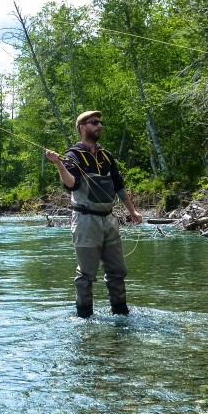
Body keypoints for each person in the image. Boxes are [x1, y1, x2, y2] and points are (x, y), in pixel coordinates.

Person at [45, 110, 143, 317]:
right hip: (85, 220)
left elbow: (119, 186)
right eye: (94, 122)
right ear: (83, 127)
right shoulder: (73, 155)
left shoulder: (106, 155)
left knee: (118, 271)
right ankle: (84, 317)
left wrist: (132, 211)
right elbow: (71, 185)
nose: (99, 126)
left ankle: (120, 313)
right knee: (87, 274)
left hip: (109, 219)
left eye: (100, 123)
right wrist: (58, 164)